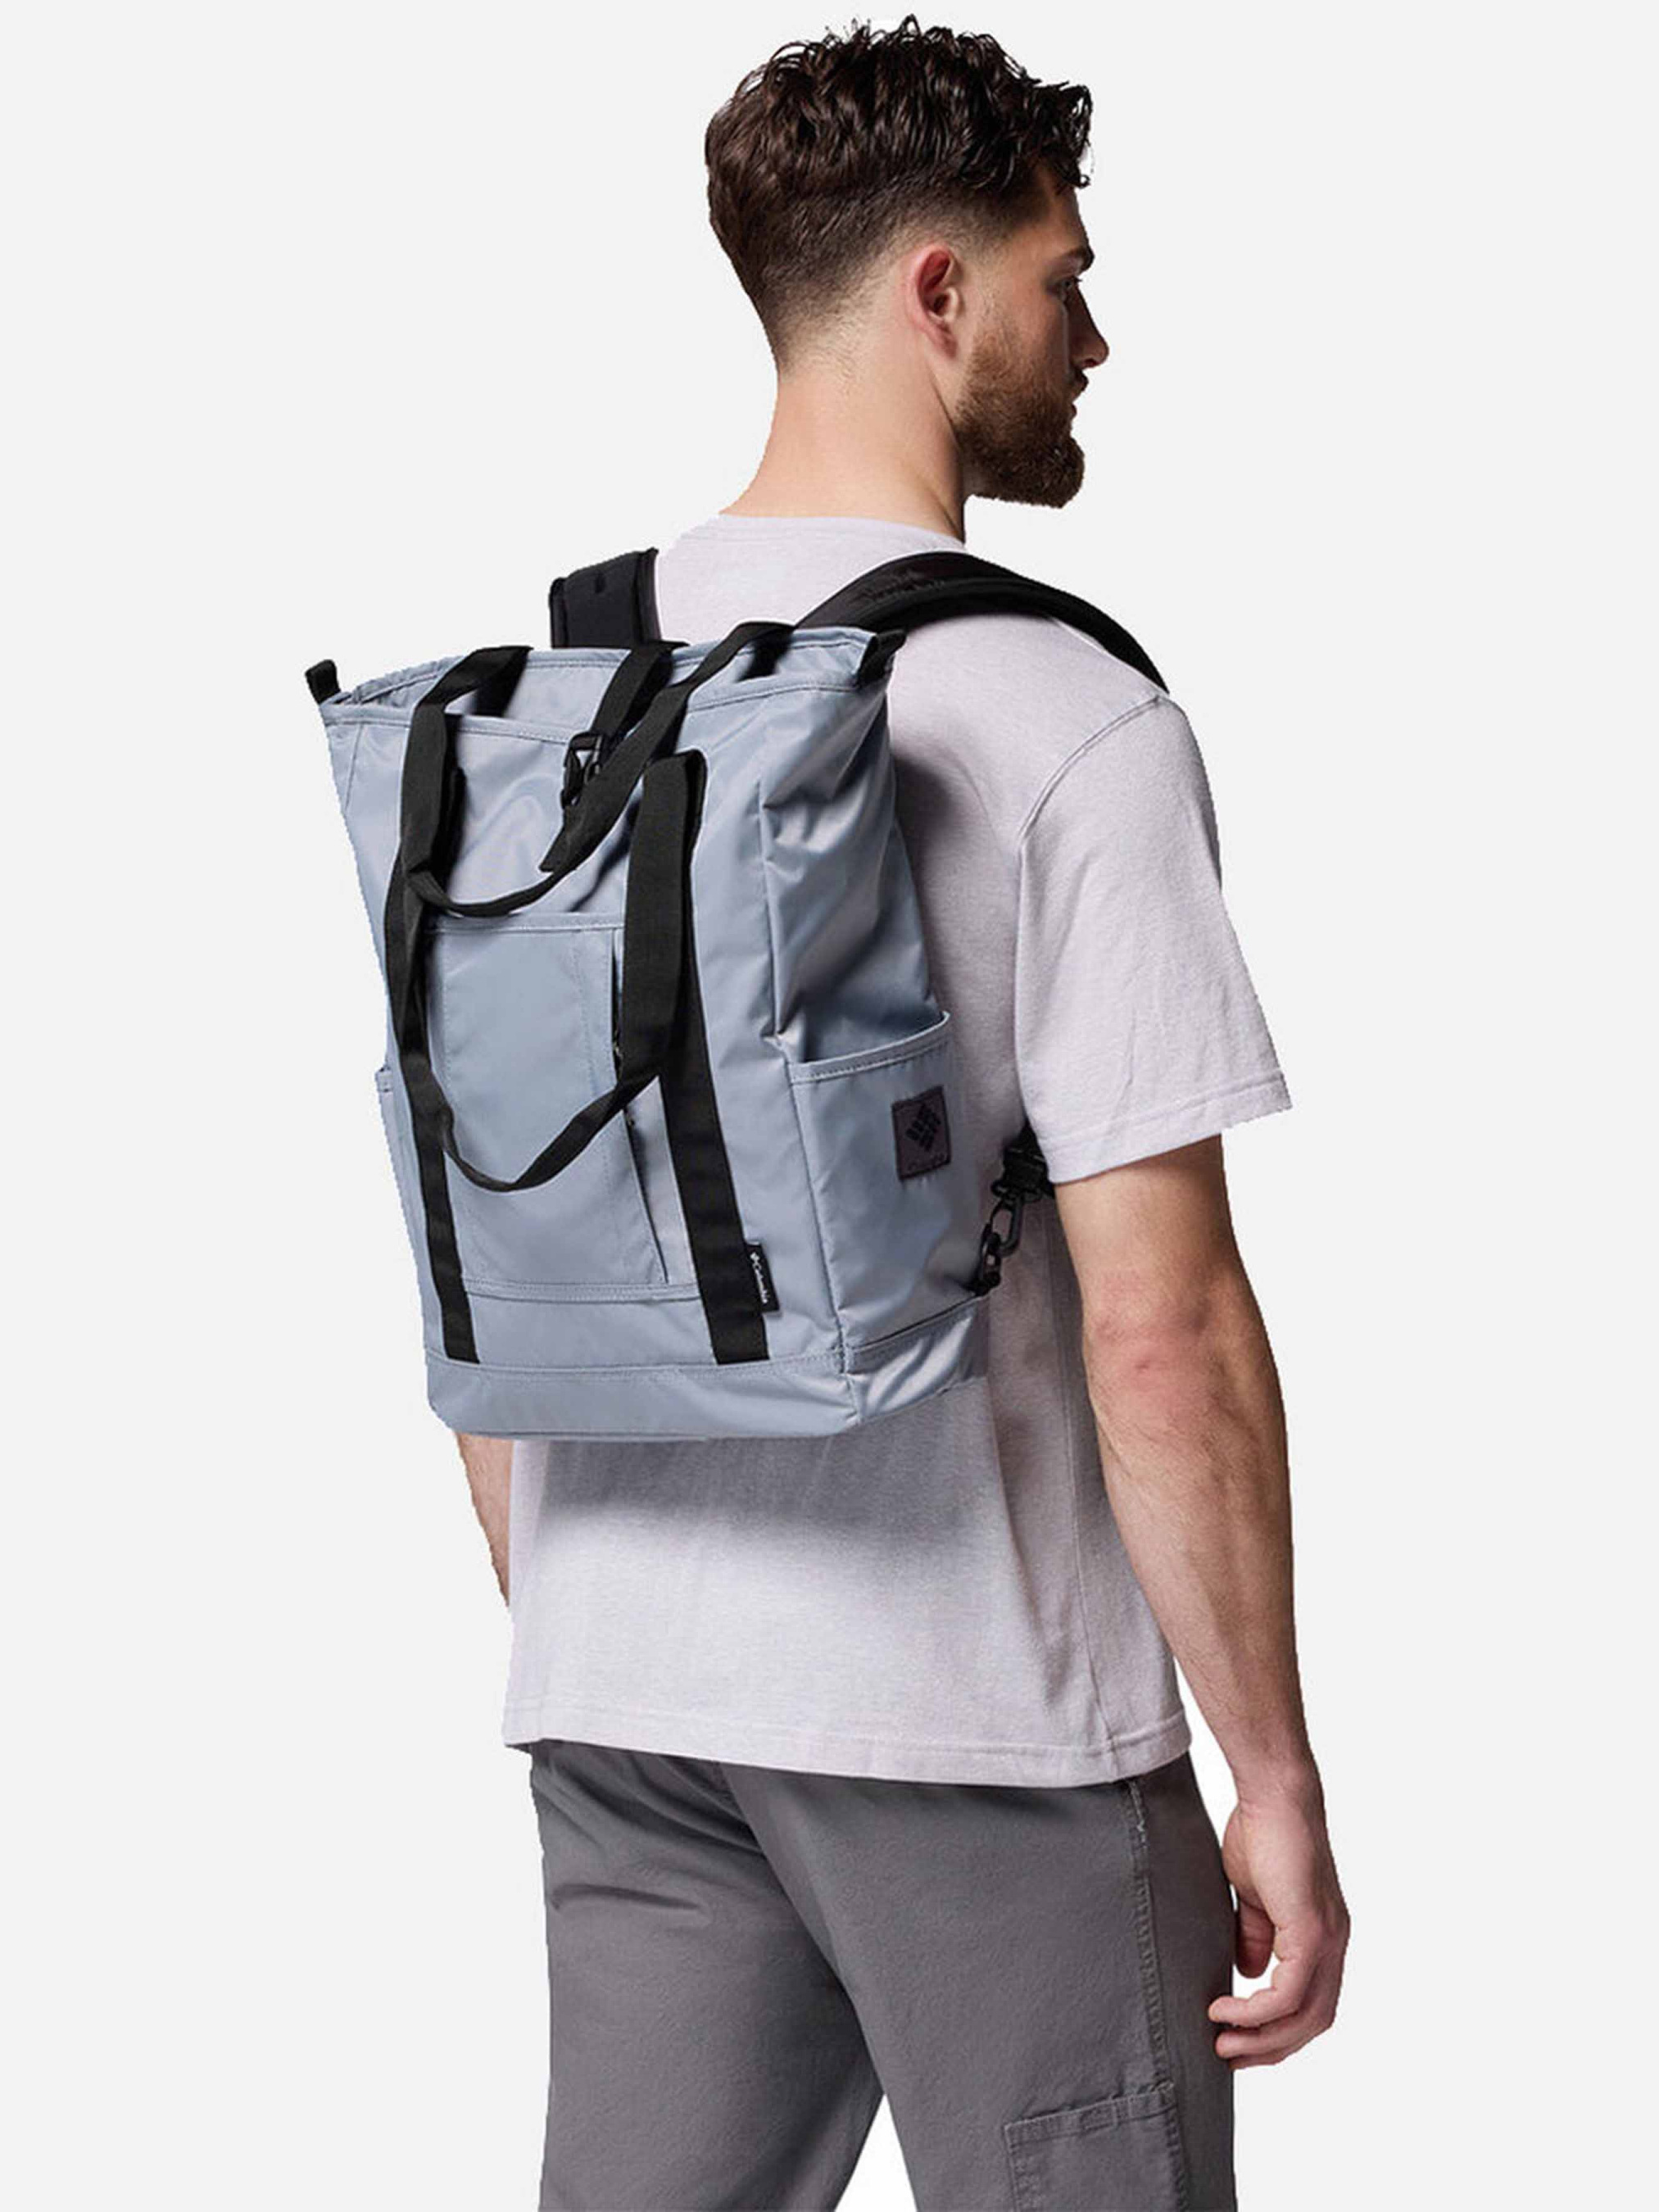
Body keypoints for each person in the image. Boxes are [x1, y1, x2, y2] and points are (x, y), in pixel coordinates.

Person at [458, 20, 1348, 2209]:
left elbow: (478, 1239)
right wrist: (1272, 1771)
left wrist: (594, 1612)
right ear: (939, 292)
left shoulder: (548, 701)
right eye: (1064, 280)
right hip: (983, 1722)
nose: (1094, 341)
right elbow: (1164, 1329)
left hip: (624, 1702)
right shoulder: (1064, 716)